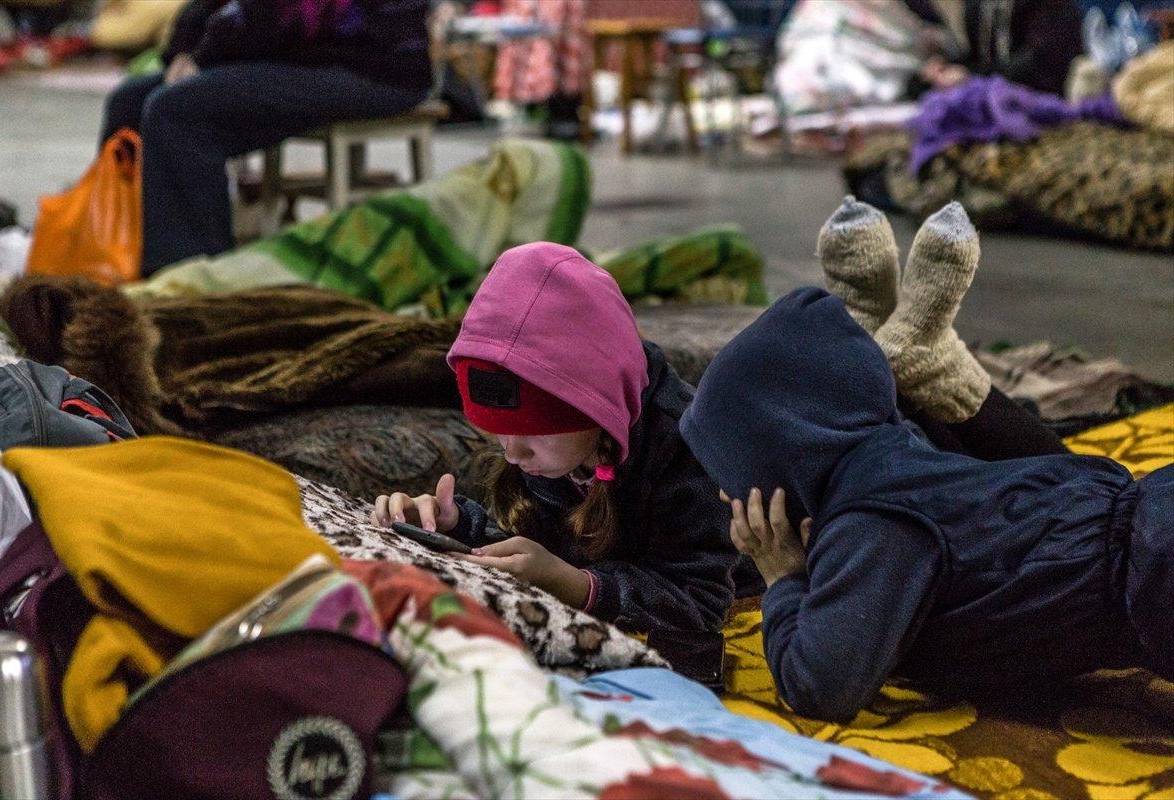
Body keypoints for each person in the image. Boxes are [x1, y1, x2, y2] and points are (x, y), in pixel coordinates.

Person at [678, 200, 1172, 722]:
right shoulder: (901, 454)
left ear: (785, 455)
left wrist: (783, 579)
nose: (725, 494)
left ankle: (902, 348)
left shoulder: (870, 525)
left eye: (732, 473)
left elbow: (818, 685)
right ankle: (906, 354)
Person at [371, 242, 738, 634]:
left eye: (533, 432)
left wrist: (575, 586)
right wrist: (455, 526)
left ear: (596, 410)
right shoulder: (556, 450)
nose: (513, 453)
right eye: (499, 431)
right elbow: (534, 548)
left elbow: (702, 600)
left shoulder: (689, 446)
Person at [99, 0, 432, 275]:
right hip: (300, 54)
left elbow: (278, 16)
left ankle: (190, 276)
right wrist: (183, 52)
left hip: (374, 66)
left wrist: (202, 58)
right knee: (129, 102)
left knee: (177, 110)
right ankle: (115, 253)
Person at [908, 0, 1085, 95]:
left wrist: (969, 76)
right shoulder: (979, 9)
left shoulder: (1049, 6)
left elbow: (1040, 64)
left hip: (1044, 93)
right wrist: (942, 70)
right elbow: (980, 60)